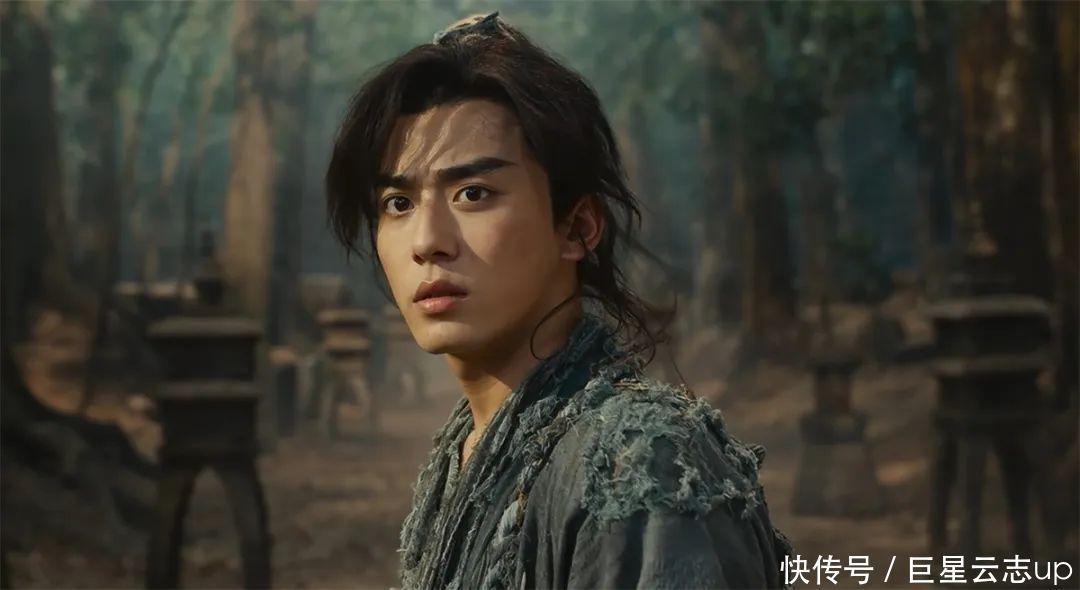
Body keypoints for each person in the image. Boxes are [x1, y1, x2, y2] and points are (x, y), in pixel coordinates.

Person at [325, 12, 793, 589]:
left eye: (473, 193)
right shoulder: (470, 449)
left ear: (577, 227)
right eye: (398, 204)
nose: (427, 242)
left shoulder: (637, 462)